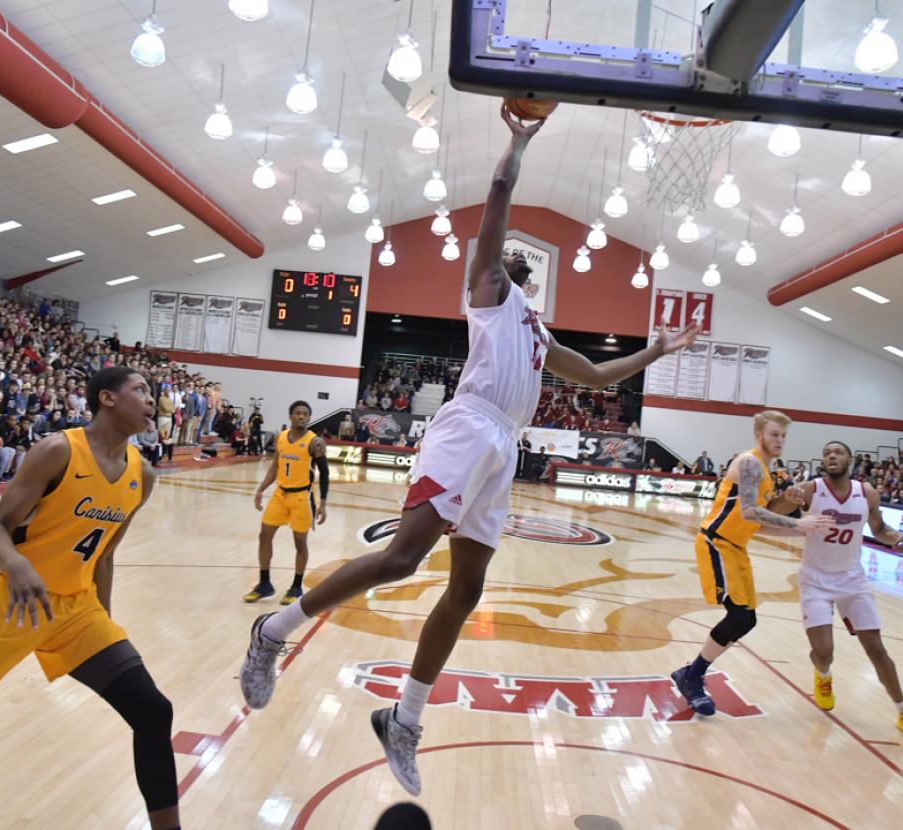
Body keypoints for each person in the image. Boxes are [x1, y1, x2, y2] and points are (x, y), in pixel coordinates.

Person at [237, 106, 700, 797]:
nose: (509, 252)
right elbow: (501, 199)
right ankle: (274, 631)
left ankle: (405, 717)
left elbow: (601, 376)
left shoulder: (539, 334)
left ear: (532, 279)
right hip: (467, 429)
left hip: (503, 447)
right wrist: (517, 142)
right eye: (504, 247)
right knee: (401, 560)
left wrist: (655, 350)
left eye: (517, 255)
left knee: (468, 588)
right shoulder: (488, 289)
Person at [0, 367, 180, 829]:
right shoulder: (57, 450)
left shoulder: (141, 475)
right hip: (12, 600)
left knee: (153, 711)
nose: (153, 400)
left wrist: (104, 626)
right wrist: (17, 565)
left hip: (77, 611)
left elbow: (105, 555)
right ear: (107, 399)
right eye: (142, 390)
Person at [671, 410, 834, 716]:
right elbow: (748, 512)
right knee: (738, 617)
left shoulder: (769, 472)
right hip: (716, 543)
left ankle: (691, 674)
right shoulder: (748, 463)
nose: (780, 440)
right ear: (759, 435)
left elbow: (759, 525)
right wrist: (798, 524)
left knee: (747, 620)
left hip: (737, 547)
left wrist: (806, 533)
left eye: (784, 435)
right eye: (775, 434)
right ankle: (692, 677)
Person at [793, 441, 903, 731]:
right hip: (816, 580)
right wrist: (786, 499)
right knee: (824, 651)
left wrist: (897, 539)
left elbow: (879, 530)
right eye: (827, 452)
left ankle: (902, 709)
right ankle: (823, 675)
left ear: (850, 461)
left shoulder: (866, 493)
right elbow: (774, 510)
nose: (831, 455)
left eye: (838, 452)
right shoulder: (810, 490)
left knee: (876, 650)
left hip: (852, 579)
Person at [243, 401, 329, 606]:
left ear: (309, 418)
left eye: (305, 414)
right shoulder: (281, 437)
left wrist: (323, 503)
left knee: (300, 543)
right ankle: (264, 584)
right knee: (264, 536)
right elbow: (275, 467)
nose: (301, 417)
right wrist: (261, 489)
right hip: (280, 495)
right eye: (297, 413)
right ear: (290, 416)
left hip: (302, 498)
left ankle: (296, 586)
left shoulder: (314, 442)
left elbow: (324, 472)